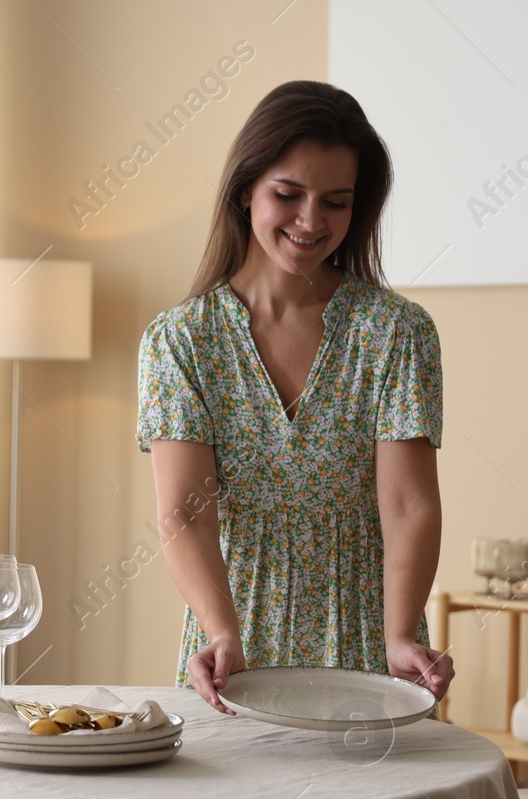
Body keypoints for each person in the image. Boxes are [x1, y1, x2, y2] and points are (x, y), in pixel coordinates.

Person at [136, 80, 455, 713]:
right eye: (289, 195)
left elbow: (407, 505)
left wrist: (399, 633)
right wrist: (221, 633)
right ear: (245, 189)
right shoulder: (180, 341)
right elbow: (186, 514)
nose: (312, 222)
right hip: (233, 648)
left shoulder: (396, 332)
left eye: (336, 202)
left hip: (371, 644)